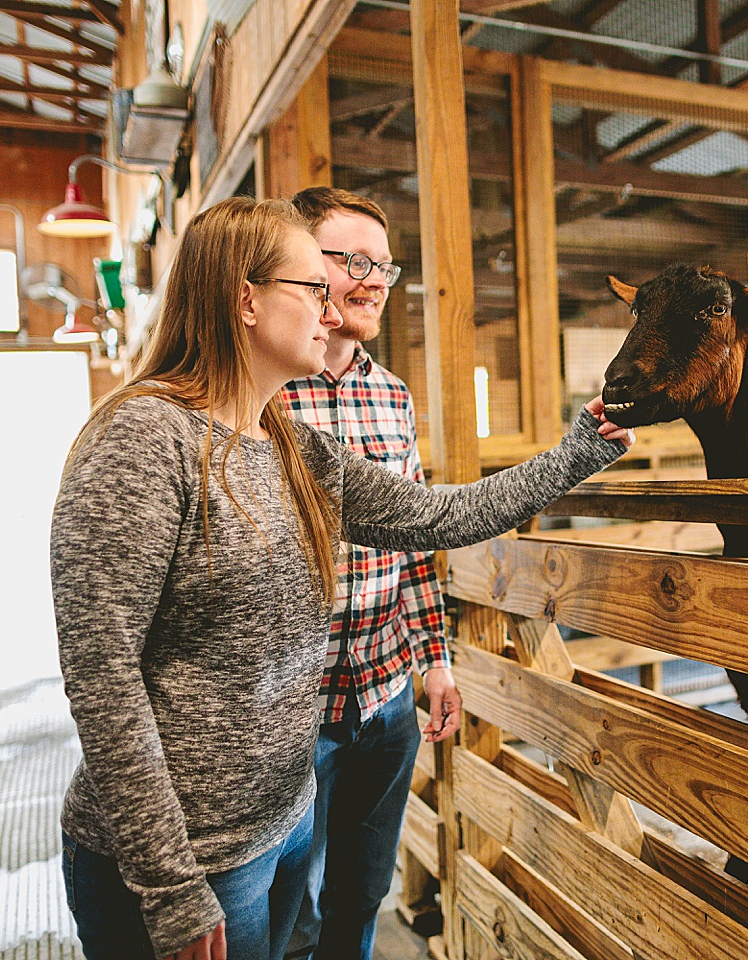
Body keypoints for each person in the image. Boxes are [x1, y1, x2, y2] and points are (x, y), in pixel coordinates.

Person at [50, 196, 633, 960]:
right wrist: (170, 885)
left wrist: (580, 449)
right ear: (246, 299)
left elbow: (434, 517)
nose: (332, 308)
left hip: (282, 820)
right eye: (313, 287)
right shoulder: (143, 439)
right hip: (191, 858)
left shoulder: (287, 444)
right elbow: (102, 674)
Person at [279, 187, 451, 960]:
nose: (375, 278)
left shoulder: (394, 394)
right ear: (298, 267)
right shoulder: (260, 393)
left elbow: (415, 539)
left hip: (385, 699)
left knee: (361, 895)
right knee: (287, 908)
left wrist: (436, 661)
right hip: (289, 712)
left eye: (383, 263)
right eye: (352, 260)